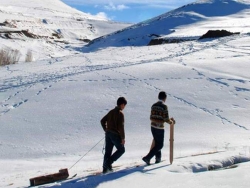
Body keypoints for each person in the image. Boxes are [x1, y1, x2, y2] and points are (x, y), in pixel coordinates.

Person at [142, 91, 175, 165]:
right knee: (160, 145)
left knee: (157, 143)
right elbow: (166, 119)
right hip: (159, 128)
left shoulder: (153, 105)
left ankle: (158, 159)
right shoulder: (164, 106)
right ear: (164, 98)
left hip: (153, 127)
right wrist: (171, 122)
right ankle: (147, 157)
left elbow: (151, 117)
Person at [100, 97, 127, 173]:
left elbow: (102, 121)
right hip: (115, 135)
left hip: (108, 134)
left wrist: (106, 129)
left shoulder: (111, 112)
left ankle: (105, 169)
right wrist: (123, 138)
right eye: (124, 105)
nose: (124, 107)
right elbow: (121, 127)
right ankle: (108, 163)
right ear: (122, 104)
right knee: (121, 150)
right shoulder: (120, 114)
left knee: (108, 152)